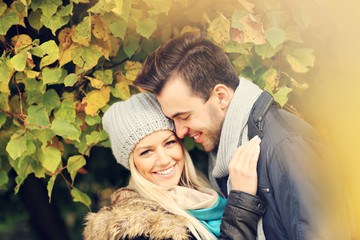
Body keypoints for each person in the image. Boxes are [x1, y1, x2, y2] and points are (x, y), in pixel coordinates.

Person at [133, 32, 352, 239]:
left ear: (220, 96)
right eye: (174, 120)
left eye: (185, 116)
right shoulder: (230, 152)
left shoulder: (288, 146)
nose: (179, 132)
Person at [83, 93, 267, 240]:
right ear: (132, 164)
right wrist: (242, 201)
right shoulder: (138, 230)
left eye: (169, 143)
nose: (163, 160)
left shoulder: (206, 195)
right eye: (146, 152)